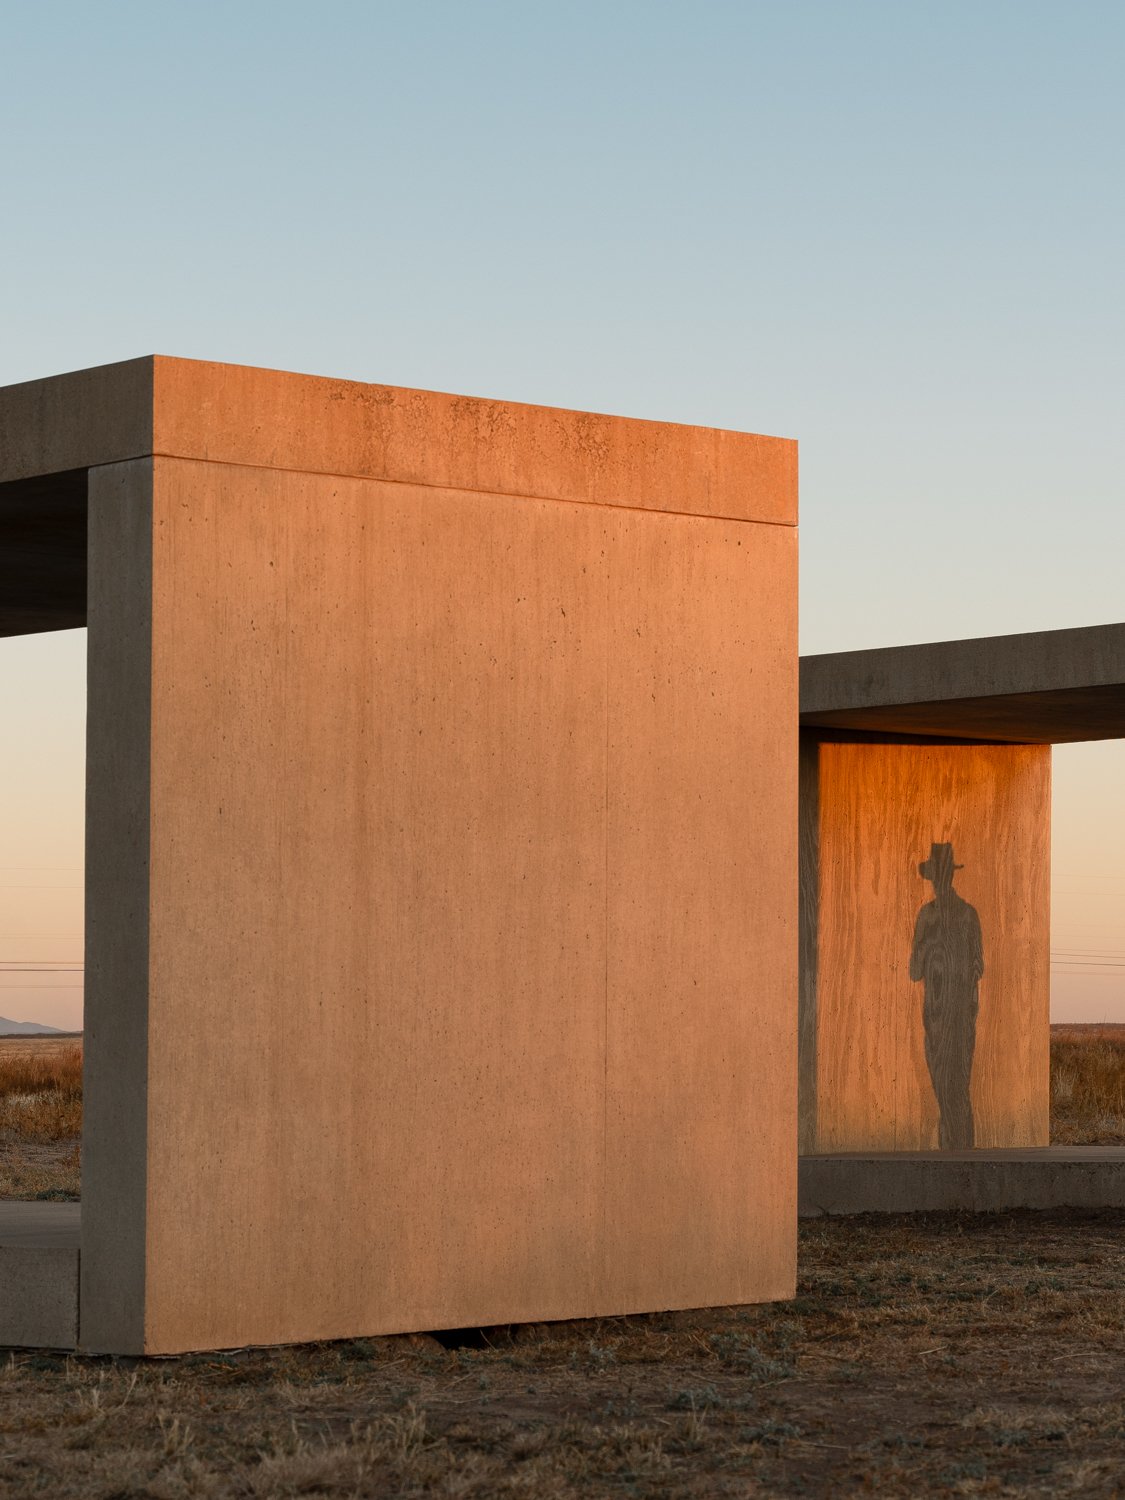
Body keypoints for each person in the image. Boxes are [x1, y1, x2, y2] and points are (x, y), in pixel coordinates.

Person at [909, 842, 983, 1150]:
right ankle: (950, 1150)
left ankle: (960, 1151)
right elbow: (914, 970)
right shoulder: (928, 916)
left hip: (958, 1016)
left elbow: (979, 964)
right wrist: (929, 948)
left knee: (957, 1086)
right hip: (937, 1017)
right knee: (944, 1086)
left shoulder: (966, 916)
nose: (939, 883)